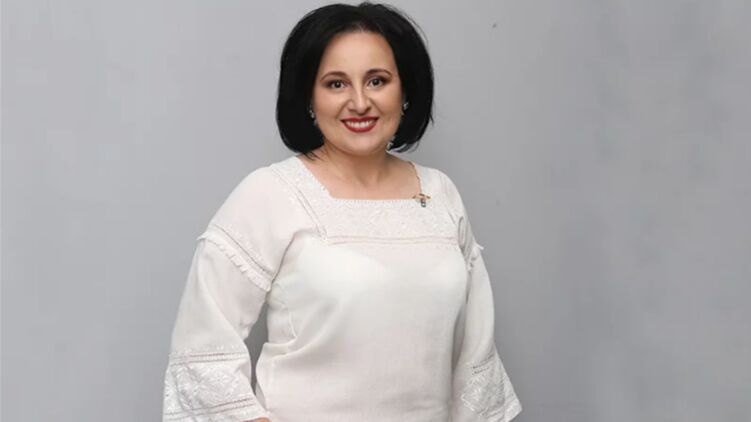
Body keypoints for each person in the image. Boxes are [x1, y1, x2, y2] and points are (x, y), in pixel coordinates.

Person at [161, 2, 522, 421]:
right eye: (336, 84)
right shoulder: (271, 194)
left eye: (377, 80)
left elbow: (475, 357)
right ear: (308, 97)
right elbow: (200, 353)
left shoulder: (440, 194)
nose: (360, 102)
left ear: (405, 90)